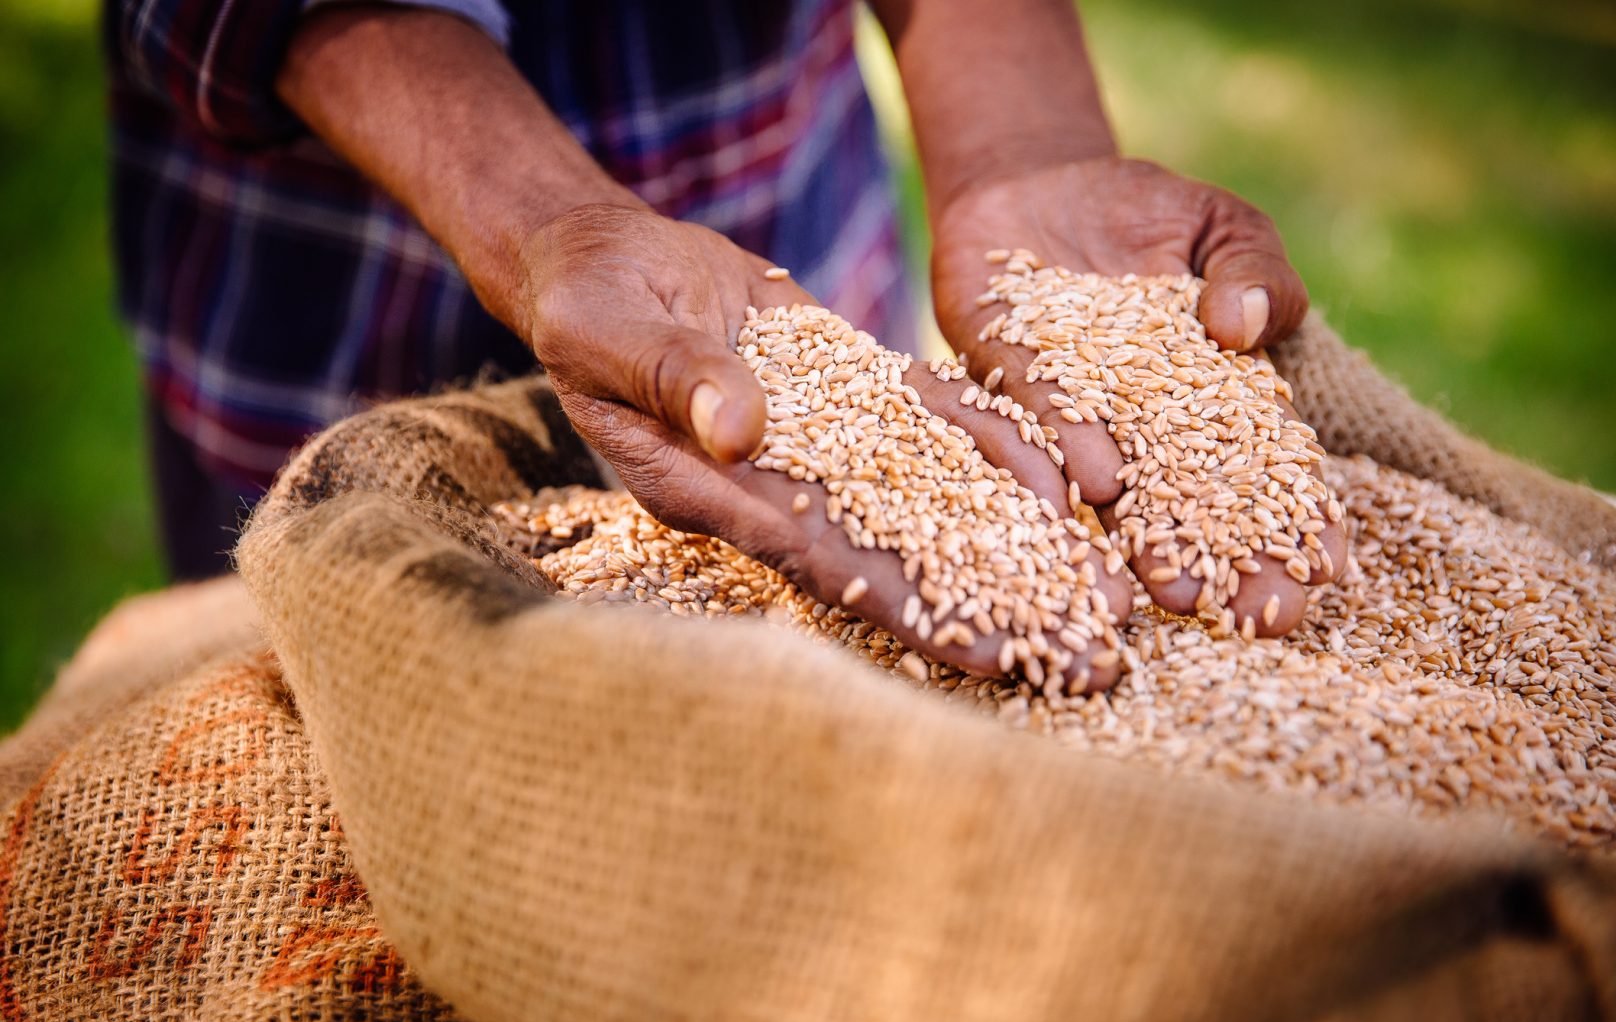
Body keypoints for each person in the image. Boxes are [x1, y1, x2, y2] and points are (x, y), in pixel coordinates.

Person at [106, 0, 1344, 688]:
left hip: (778, 262)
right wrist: (555, 231)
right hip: (331, 325)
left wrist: (1028, 150)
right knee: (324, 719)